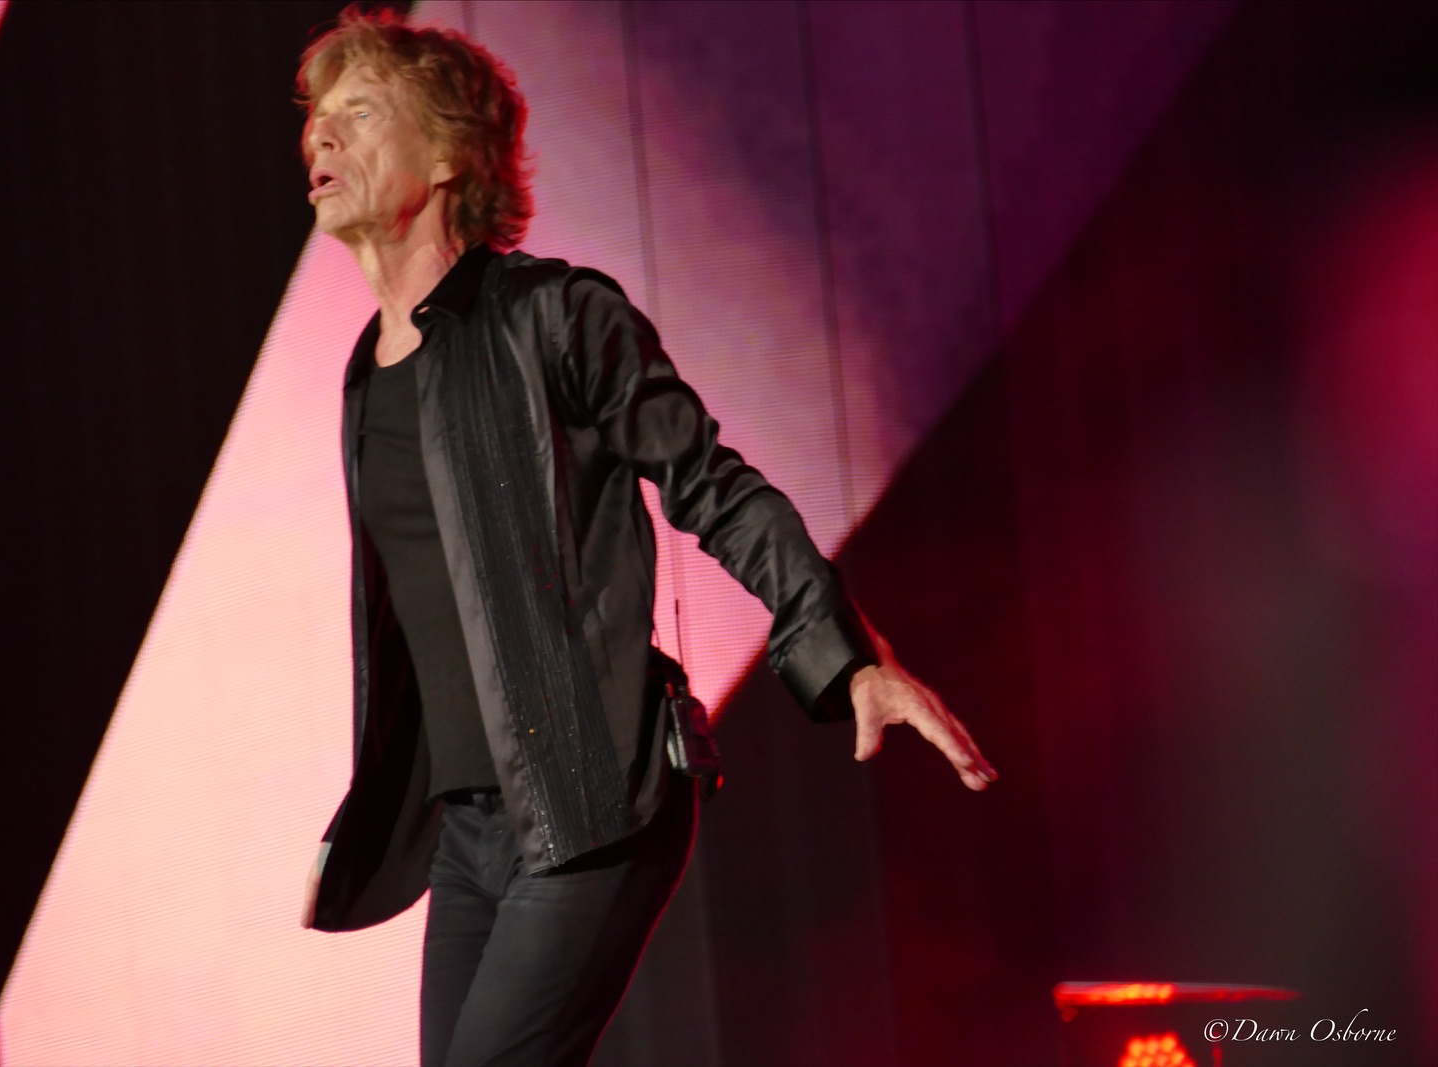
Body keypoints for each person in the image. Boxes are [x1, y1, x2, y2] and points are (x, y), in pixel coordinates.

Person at [294, 8, 997, 1065]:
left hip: (593, 799)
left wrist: (844, 653)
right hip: (468, 831)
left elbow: (714, 485)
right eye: (318, 116)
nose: (321, 134)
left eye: (359, 112)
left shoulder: (555, 315)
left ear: (447, 157)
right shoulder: (366, 373)